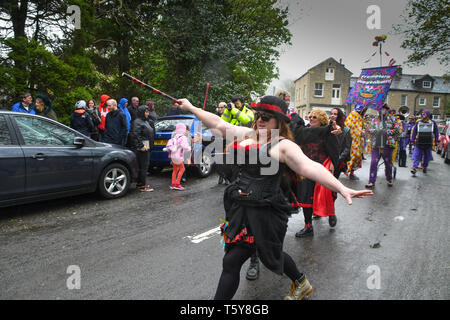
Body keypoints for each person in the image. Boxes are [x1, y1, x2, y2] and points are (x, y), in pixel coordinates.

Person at [176, 96, 372, 300]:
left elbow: (309, 167)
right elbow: (218, 123)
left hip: (265, 211)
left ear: (278, 121)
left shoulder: (283, 146)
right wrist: (191, 106)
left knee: (262, 255)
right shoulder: (247, 134)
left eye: (267, 117)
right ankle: (301, 282)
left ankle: (300, 282)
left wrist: (342, 188)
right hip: (241, 208)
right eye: (258, 115)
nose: (260, 120)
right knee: (244, 258)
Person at [293, 109, 340, 236]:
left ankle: (330, 213)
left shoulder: (328, 132)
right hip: (306, 168)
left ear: (321, 120)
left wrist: (331, 164)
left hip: (322, 168)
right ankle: (308, 226)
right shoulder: (304, 131)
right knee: (305, 197)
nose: (311, 118)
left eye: (315, 117)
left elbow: (335, 151)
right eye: (310, 116)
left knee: (327, 194)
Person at [365, 104, 402, 188]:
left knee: (388, 164)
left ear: (387, 110)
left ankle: (389, 179)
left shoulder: (393, 119)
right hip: (376, 145)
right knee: (374, 162)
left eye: (383, 109)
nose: (381, 111)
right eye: (380, 109)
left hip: (388, 144)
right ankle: (371, 181)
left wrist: (386, 132)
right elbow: (370, 130)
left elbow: (397, 130)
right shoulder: (375, 120)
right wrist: (377, 131)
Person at [129, 105, 154, 192]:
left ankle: (140, 183)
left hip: (146, 145)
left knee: (144, 165)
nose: (148, 113)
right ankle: (142, 185)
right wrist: (141, 146)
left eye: (148, 112)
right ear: (141, 112)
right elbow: (135, 135)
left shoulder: (145, 121)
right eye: (146, 112)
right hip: (142, 146)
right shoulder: (137, 122)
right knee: (143, 166)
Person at [410, 109, 439, 176]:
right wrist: (412, 140)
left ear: (428, 115)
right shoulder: (419, 122)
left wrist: (436, 140)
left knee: (426, 156)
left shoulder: (433, 123)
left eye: (424, 114)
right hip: (419, 142)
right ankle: (414, 168)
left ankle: (425, 166)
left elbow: (436, 132)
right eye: (422, 114)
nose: (422, 115)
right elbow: (414, 131)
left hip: (428, 142)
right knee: (417, 155)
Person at [164, 123, 191, 190]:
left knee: (175, 170)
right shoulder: (183, 137)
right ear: (184, 130)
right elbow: (185, 146)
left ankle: (173, 184)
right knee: (182, 169)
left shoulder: (174, 137)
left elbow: (168, 146)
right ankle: (177, 184)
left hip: (173, 156)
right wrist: (189, 148)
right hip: (179, 156)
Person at [345, 105, 368, 180]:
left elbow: (360, 127)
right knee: (350, 156)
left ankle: (352, 173)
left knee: (356, 157)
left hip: (358, 141)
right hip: (352, 140)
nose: (365, 110)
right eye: (365, 108)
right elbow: (349, 126)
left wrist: (363, 131)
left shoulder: (360, 116)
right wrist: (360, 132)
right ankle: (345, 170)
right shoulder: (353, 114)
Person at [330, 107, 352, 179]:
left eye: (335, 114)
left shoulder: (346, 130)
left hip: (338, 161)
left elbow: (347, 148)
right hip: (327, 160)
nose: (332, 115)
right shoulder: (327, 127)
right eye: (331, 114)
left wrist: (338, 159)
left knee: (333, 183)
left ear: (339, 116)